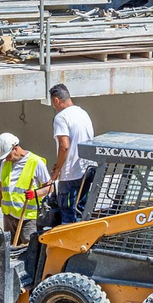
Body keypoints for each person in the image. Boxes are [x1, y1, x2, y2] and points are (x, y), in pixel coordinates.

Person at [0, 132, 50, 243]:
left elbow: (49, 187)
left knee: (28, 248)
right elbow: (0, 192)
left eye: (8, 156)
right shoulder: (5, 164)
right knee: (10, 249)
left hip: (28, 217)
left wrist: (35, 194)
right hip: (9, 217)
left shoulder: (36, 162)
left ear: (15, 148)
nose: (7, 159)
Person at [49, 83, 95, 225]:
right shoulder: (83, 113)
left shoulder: (61, 117)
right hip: (88, 169)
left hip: (71, 174)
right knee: (81, 211)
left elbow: (65, 146)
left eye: (53, 103)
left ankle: (69, 246)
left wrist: (57, 170)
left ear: (56, 100)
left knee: (68, 213)